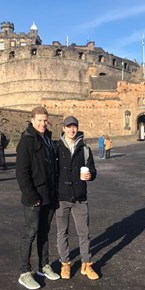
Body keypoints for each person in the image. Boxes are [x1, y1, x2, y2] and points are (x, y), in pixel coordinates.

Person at [16, 106, 60, 290]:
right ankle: (25, 272)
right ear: (32, 120)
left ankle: (44, 266)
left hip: (49, 194)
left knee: (44, 232)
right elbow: (22, 173)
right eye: (40, 120)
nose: (43, 123)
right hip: (34, 196)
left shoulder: (48, 139)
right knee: (30, 233)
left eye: (45, 120)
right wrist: (31, 195)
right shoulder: (26, 142)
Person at [55, 116, 99, 280]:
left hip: (80, 197)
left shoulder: (84, 148)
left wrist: (90, 175)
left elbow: (93, 170)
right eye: (69, 127)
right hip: (61, 197)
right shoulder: (56, 147)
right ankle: (65, 264)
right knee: (62, 232)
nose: (72, 130)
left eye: (74, 127)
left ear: (77, 128)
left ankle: (86, 264)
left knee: (84, 233)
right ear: (63, 128)